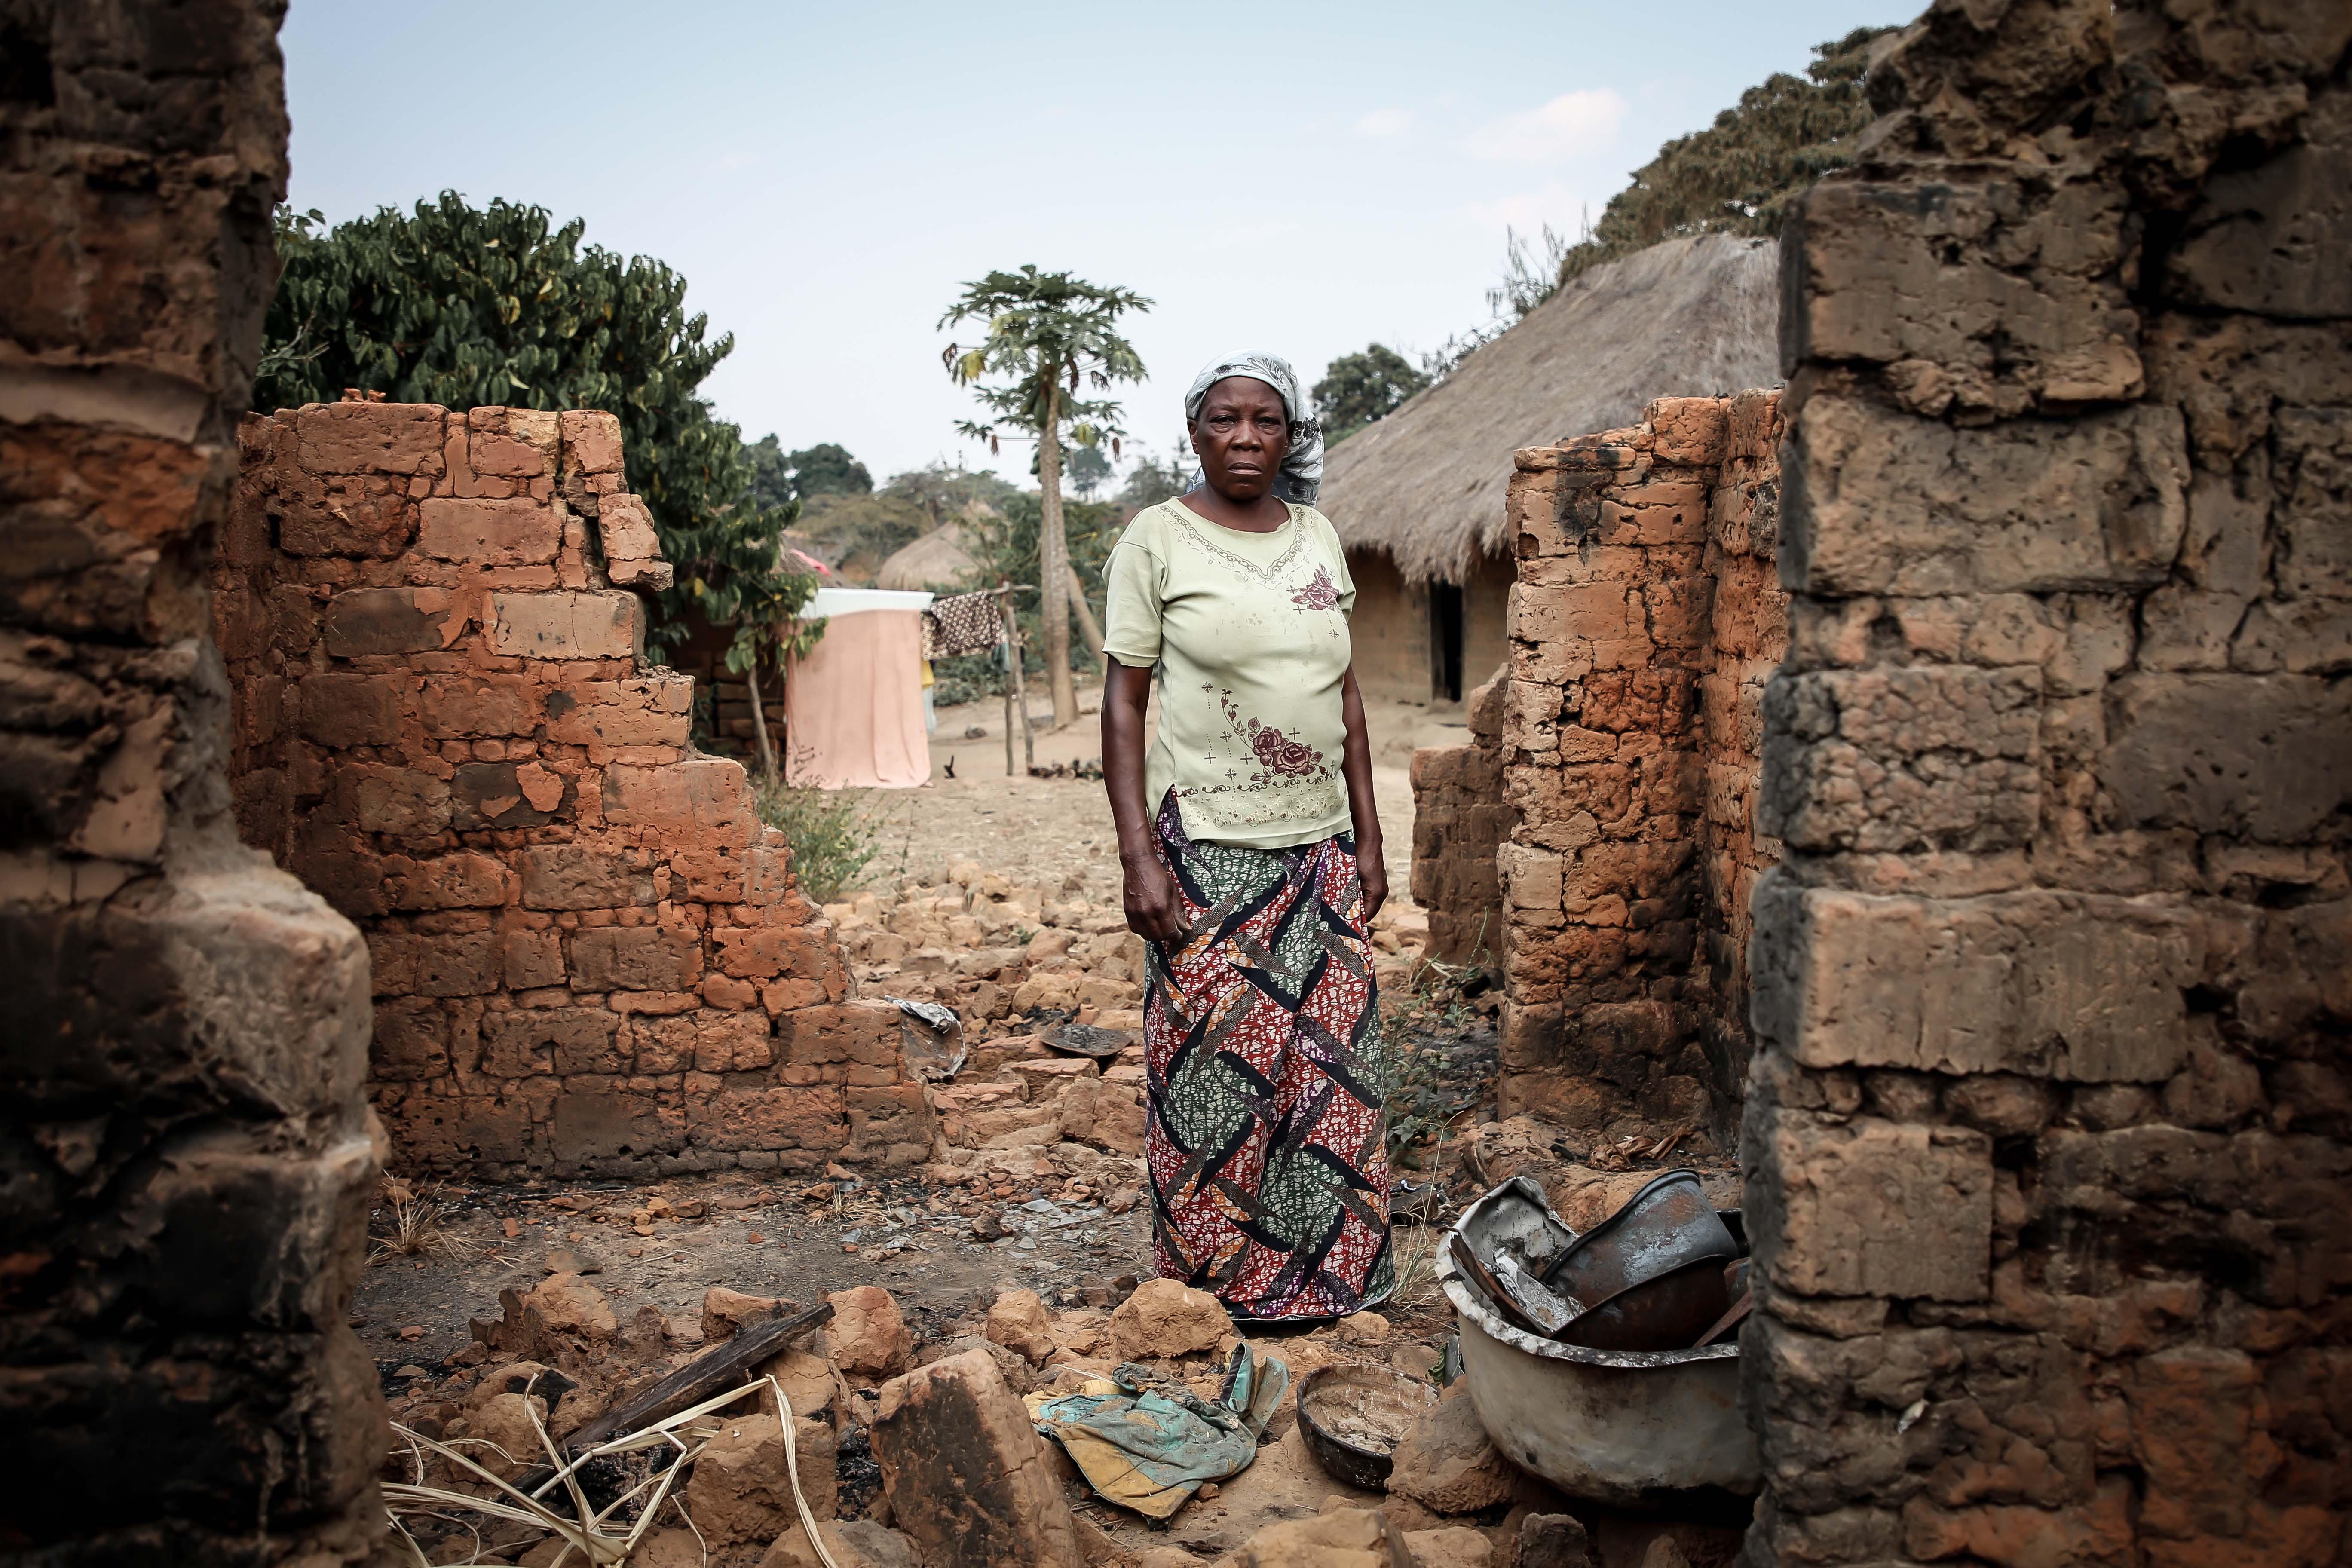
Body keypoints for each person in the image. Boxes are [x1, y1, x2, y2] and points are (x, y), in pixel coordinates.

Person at [1098, 352, 1390, 1322]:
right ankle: (1214, 1297)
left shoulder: (1318, 537)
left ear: (1290, 434)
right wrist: (1140, 855)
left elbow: (1344, 696)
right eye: (1225, 420)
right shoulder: (1156, 539)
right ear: (1195, 432)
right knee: (1219, 1070)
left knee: (1330, 1069)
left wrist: (1372, 838)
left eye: (1267, 420)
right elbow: (1125, 699)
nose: (1246, 438)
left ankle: (1330, 1284)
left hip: (1320, 851)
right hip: (1207, 848)